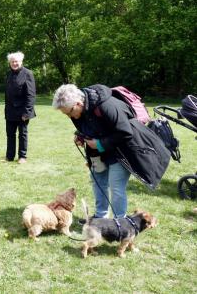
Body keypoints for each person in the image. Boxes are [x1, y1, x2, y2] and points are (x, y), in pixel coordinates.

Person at [52, 84, 170, 219]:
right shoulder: (77, 110)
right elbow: (88, 126)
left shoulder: (107, 105)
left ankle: (120, 222)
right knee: (98, 181)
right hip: (98, 153)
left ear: (79, 103)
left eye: (69, 112)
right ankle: (100, 217)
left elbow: (125, 132)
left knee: (116, 186)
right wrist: (80, 136)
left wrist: (100, 144)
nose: (69, 116)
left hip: (122, 150)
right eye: (65, 114)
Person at [4, 52, 36, 164]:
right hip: (10, 111)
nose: (14, 63)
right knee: (10, 134)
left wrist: (26, 113)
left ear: (21, 62)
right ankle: (9, 156)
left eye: (16, 61)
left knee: (22, 134)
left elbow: (31, 95)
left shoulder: (28, 74)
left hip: (23, 111)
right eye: (12, 61)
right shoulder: (8, 74)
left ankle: (22, 156)